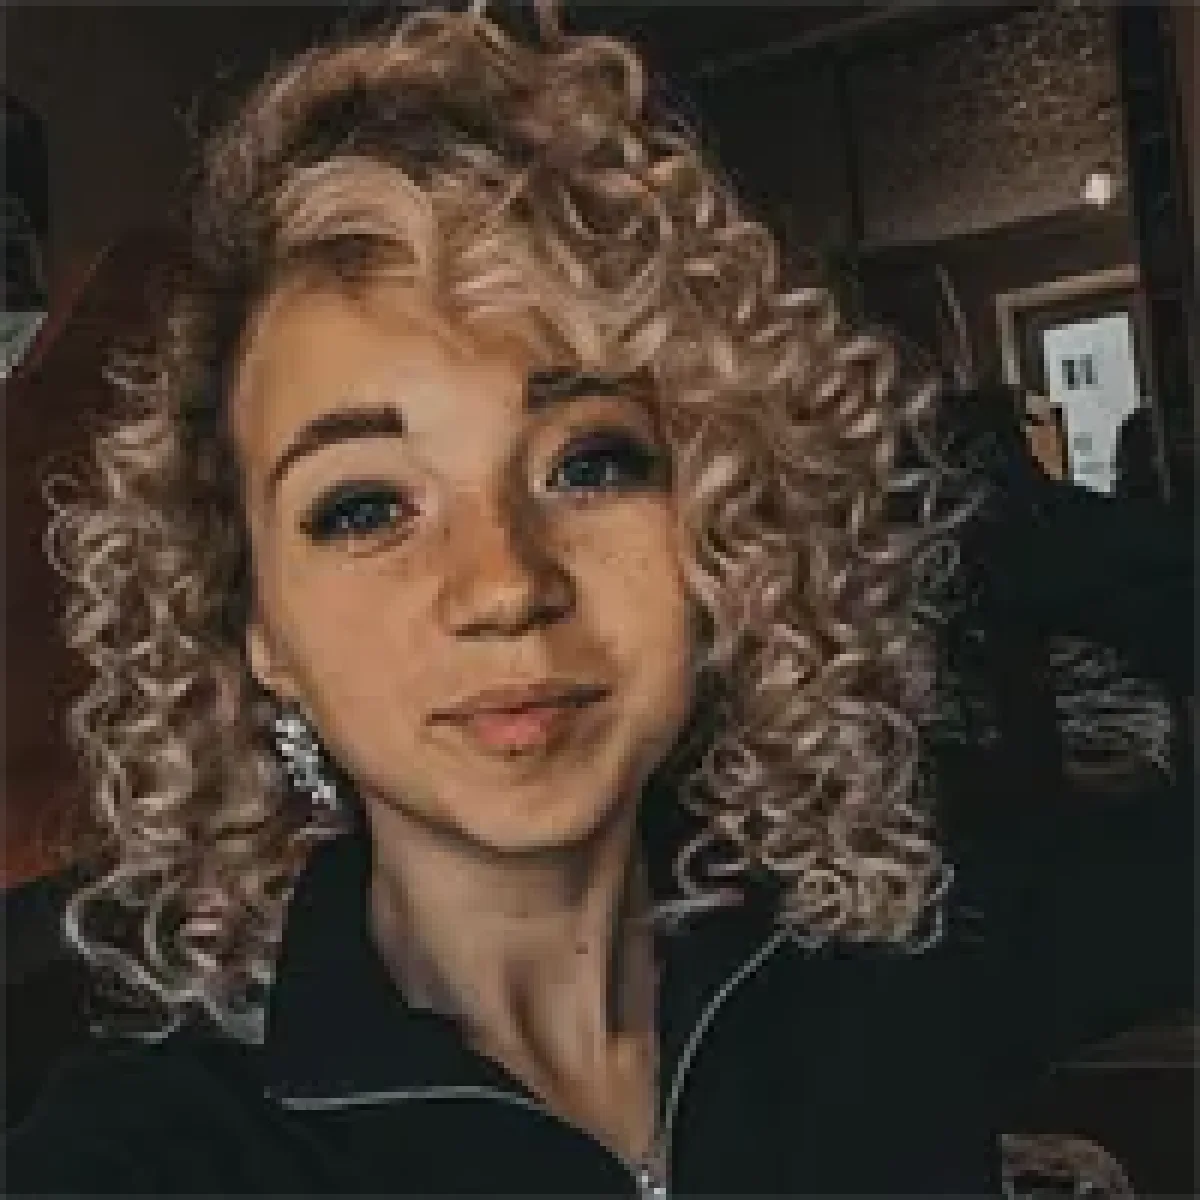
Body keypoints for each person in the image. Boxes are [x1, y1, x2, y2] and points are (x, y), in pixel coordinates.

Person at [4, 6, 1200, 1199]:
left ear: (719, 519)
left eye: (590, 465)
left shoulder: (892, 960)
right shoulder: (151, 1155)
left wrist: (920, 502)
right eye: (365, 507)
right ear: (255, 621)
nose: (506, 584)